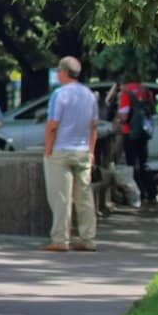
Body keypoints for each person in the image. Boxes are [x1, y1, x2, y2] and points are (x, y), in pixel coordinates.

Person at [41, 56, 99, 252]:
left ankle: (60, 239)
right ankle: (88, 239)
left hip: (61, 151)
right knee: (84, 197)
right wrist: (91, 151)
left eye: (58, 71)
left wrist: (48, 149)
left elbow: (52, 125)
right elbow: (93, 127)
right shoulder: (89, 95)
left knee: (61, 198)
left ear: (64, 72)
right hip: (83, 151)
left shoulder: (60, 94)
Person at [115, 76, 158, 208]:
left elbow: (124, 116)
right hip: (143, 132)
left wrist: (119, 121)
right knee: (144, 162)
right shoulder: (145, 90)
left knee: (131, 163)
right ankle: (151, 192)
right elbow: (152, 109)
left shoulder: (126, 93)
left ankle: (138, 193)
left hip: (129, 132)